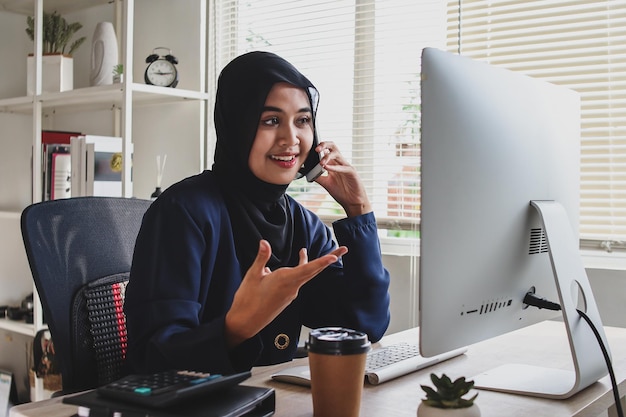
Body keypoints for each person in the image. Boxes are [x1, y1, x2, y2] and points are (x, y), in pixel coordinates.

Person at [124, 51, 391, 375]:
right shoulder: (183, 214)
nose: (291, 139)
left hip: (269, 401)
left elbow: (365, 327)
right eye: (271, 120)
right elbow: (153, 359)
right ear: (238, 125)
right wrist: (237, 326)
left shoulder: (301, 224)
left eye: (303, 120)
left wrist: (357, 208)